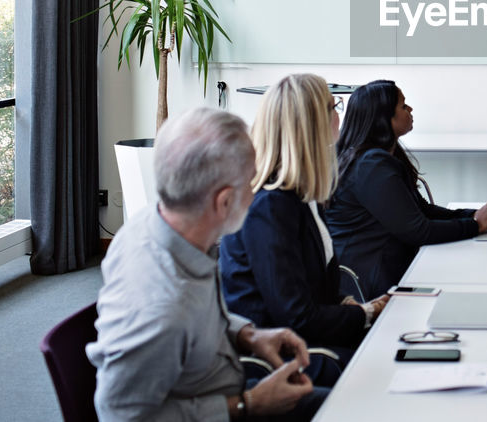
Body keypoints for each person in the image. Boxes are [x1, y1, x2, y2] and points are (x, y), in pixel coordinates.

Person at [88, 107, 326, 421]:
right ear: (224, 201)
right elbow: (122, 417)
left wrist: (247, 335)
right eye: (252, 183)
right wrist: (248, 404)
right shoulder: (162, 309)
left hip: (228, 381)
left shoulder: (159, 222)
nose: (257, 195)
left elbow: (200, 312)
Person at [220, 74, 389, 387]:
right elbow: (294, 317)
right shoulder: (269, 206)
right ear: (314, 122)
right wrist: (365, 313)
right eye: (334, 105)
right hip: (279, 355)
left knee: (395, 349)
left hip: (305, 339)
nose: (340, 113)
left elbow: (304, 287)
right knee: (384, 366)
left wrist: (345, 303)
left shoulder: (298, 196)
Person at [325, 79, 487, 296]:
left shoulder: (378, 156)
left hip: (388, 269)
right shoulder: (370, 165)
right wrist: (475, 225)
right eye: (403, 106)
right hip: (373, 285)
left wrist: (475, 215)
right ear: (385, 118)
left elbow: (421, 209)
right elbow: (418, 230)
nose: (410, 109)